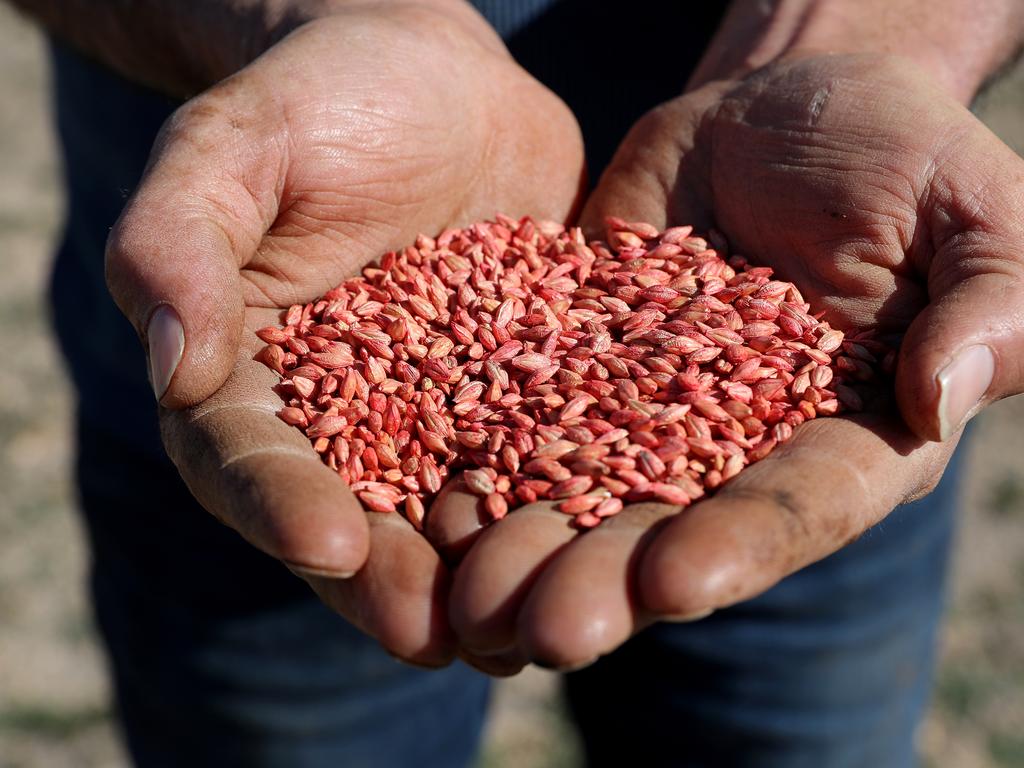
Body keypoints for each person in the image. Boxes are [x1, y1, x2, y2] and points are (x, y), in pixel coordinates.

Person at [9, 0, 1024, 764]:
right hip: (293, 239)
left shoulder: (778, 343)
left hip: (836, 284)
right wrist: (298, 13)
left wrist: (873, 30)